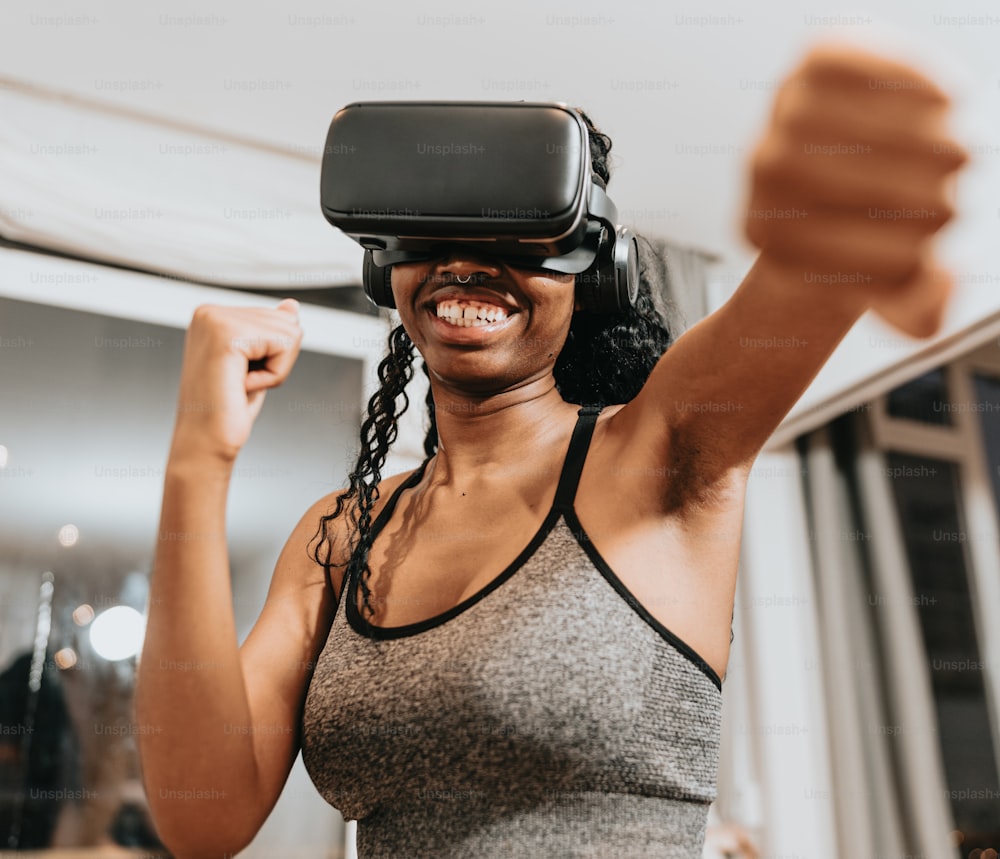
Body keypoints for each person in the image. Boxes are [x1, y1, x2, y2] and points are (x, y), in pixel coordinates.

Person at [134, 44, 966, 859]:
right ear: (384, 265)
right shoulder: (342, 534)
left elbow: (815, 263)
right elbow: (203, 816)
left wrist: (838, 194)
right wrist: (197, 462)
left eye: (517, 235)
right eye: (436, 233)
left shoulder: (659, 453)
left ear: (593, 272)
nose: (466, 263)